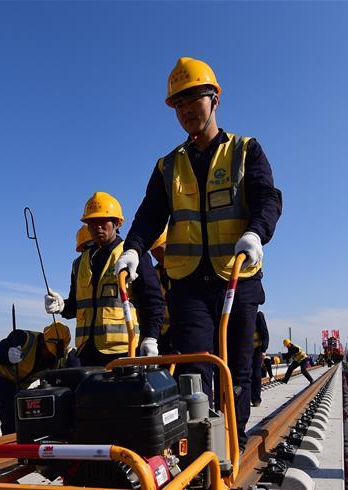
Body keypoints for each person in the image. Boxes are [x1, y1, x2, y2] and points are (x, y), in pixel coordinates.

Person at [115, 57, 282, 448]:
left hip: (236, 279)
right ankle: (201, 447)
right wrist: (134, 249)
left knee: (237, 370)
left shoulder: (245, 150)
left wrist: (257, 234)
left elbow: (267, 199)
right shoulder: (167, 166)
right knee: (194, 366)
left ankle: (233, 442)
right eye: (179, 104)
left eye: (195, 99)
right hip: (188, 283)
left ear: (215, 100)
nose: (188, 109)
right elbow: (149, 215)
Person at [45, 192, 164, 367]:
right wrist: (62, 306)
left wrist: (151, 338)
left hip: (124, 351)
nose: (97, 227)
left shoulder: (132, 255)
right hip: (87, 353)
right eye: (91, 223)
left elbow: (153, 301)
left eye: (103, 222)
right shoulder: (79, 264)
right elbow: (77, 306)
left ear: (116, 223)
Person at [0, 322, 71, 435]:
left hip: (13, 385)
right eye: (49, 350)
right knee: (10, 403)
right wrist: (7, 355)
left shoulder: (56, 358)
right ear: (43, 340)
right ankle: (10, 439)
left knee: (25, 404)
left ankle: (23, 435)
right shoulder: (23, 338)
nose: (49, 355)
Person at [148, 228, 173, 355]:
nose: (156, 254)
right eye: (153, 250)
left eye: (158, 248)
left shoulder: (185, 270)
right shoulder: (154, 274)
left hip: (185, 331)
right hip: (162, 335)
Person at [250, 310, 270, 406]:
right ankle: (247, 398)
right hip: (244, 350)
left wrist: (263, 349)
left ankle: (256, 399)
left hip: (257, 349)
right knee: (246, 374)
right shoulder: (239, 311)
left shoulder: (258, 315)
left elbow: (265, 333)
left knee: (256, 374)